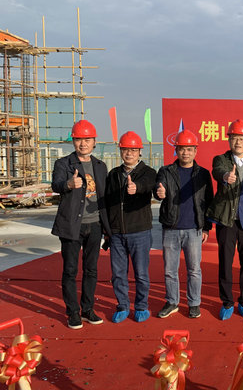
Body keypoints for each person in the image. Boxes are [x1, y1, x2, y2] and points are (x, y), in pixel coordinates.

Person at [51, 120, 111, 329]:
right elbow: (56, 185)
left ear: (94, 141)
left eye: (87, 139)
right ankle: (73, 312)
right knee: (70, 270)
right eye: (78, 139)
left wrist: (107, 228)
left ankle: (87, 309)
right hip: (71, 225)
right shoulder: (63, 164)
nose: (83, 144)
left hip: (94, 225)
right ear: (73, 141)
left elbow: (104, 197)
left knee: (91, 269)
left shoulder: (100, 166)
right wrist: (68, 184)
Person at [208, 119, 243, 321]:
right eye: (234, 138)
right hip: (227, 221)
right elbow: (217, 171)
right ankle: (226, 302)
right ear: (229, 140)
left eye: (242, 139)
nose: (238, 142)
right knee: (225, 262)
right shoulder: (221, 160)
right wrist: (226, 177)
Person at [154, 129, 213, 319]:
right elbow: (158, 188)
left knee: (194, 270)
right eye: (181, 149)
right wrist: (159, 193)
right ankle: (172, 302)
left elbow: (208, 201)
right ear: (176, 150)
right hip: (171, 228)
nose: (185, 153)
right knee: (169, 270)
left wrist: (206, 227)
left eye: (189, 149)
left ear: (195, 151)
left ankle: (194, 303)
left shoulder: (203, 174)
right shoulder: (166, 171)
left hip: (194, 229)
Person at [105, 131, 157, 323]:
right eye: (125, 150)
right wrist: (107, 230)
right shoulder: (113, 174)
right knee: (118, 274)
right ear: (120, 151)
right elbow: (107, 202)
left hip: (140, 232)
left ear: (139, 152)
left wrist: (136, 187)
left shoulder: (148, 172)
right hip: (116, 233)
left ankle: (141, 306)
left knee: (141, 273)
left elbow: (147, 185)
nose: (129, 154)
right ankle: (123, 306)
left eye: (133, 150)